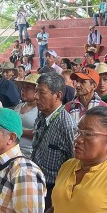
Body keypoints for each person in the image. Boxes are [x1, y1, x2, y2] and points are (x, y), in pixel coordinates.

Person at [31, 72, 77, 202]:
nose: (36, 97)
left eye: (42, 92)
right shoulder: (41, 116)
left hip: (53, 191)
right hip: (35, 185)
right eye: (36, 92)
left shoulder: (67, 124)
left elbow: (76, 161)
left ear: (58, 96)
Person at [14, 74, 40, 156]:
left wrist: (17, 131)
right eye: (23, 87)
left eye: (28, 88)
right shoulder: (18, 106)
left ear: (37, 91)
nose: (23, 90)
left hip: (29, 154)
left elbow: (39, 133)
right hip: (14, 152)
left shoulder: (40, 110)